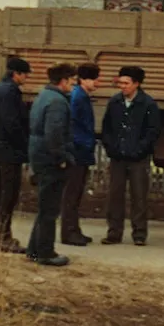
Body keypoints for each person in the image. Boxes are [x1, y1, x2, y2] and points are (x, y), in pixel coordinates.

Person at [100, 66, 161, 246]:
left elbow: (153, 131)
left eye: (126, 83)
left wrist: (140, 150)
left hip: (138, 159)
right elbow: (107, 128)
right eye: (120, 83)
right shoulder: (115, 102)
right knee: (115, 195)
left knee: (139, 196)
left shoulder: (148, 104)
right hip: (118, 157)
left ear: (137, 84)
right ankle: (114, 232)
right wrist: (111, 148)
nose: (123, 87)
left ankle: (139, 234)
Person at [26, 63, 78, 267]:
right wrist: (62, 158)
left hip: (39, 156)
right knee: (49, 208)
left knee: (44, 206)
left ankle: (35, 249)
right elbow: (54, 134)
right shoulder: (57, 102)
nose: (73, 86)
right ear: (63, 81)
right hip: (50, 160)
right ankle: (45, 252)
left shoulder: (44, 96)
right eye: (72, 82)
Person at [0, 56, 31, 253]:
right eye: (25, 75)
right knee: (8, 193)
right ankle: (2, 235)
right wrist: (24, 145)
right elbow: (12, 123)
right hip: (9, 150)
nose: (26, 79)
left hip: (1, 147)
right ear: (17, 74)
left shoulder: (2, 88)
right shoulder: (10, 91)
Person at [60, 63, 101, 247]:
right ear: (85, 79)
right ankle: (69, 232)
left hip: (80, 151)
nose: (98, 83)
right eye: (95, 78)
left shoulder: (80, 95)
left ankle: (74, 230)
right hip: (78, 152)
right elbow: (74, 126)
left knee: (75, 194)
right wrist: (84, 144)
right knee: (72, 193)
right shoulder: (78, 98)